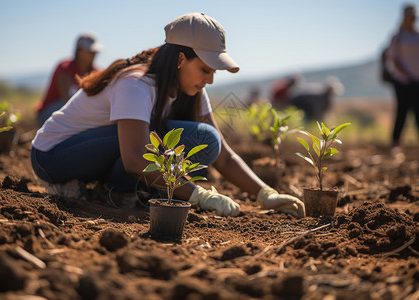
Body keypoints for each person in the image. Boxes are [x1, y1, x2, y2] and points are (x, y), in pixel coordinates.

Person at [30, 13, 305, 219]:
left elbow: (224, 154)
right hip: (54, 156)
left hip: (106, 153)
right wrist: (199, 194)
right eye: (205, 69)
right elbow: (136, 158)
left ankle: (115, 192)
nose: (210, 80)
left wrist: (264, 193)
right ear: (181, 60)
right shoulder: (136, 83)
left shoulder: (192, 88)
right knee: (150, 139)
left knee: (206, 140)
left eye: (214, 72)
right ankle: (107, 189)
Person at [35, 32, 102, 126]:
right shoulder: (65, 68)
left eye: (95, 52)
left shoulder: (95, 72)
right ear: (79, 51)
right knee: (69, 105)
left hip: (71, 114)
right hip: (47, 114)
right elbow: (66, 98)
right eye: (89, 51)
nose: (93, 54)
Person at [385, 4, 419, 149]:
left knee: (418, 110)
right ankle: (396, 142)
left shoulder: (417, 36)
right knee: (402, 110)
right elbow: (393, 58)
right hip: (402, 80)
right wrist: (406, 74)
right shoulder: (398, 37)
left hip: (417, 80)